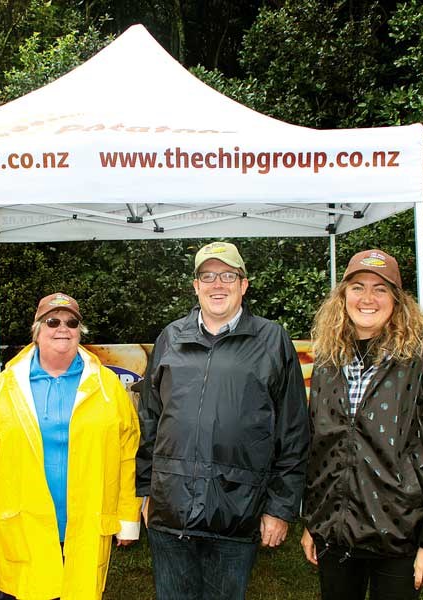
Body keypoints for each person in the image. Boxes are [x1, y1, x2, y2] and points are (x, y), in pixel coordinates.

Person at [137, 241, 309, 600]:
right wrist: (145, 490)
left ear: (244, 284)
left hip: (238, 512)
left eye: (228, 275)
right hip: (172, 513)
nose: (218, 284)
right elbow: (150, 419)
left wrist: (279, 508)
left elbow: (292, 431)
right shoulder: (171, 338)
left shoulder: (272, 340)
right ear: (195, 286)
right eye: (208, 276)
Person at [300, 249, 423, 600]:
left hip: (399, 531)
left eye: (380, 288)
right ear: (342, 296)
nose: (367, 298)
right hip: (336, 530)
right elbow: (319, 445)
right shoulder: (331, 357)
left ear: (397, 299)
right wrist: (313, 524)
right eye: (357, 287)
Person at [0, 292, 141, 600]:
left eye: (72, 322)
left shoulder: (108, 387)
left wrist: (126, 516)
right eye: (52, 321)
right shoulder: (6, 387)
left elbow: (127, 456)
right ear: (37, 329)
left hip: (85, 527)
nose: (62, 328)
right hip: (24, 527)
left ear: (80, 332)